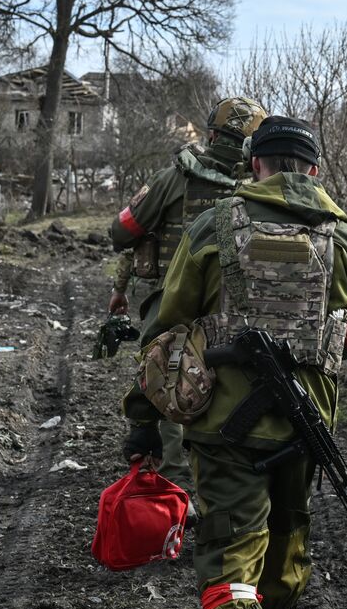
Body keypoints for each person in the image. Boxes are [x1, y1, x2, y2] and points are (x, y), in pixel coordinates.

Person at [122, 116, 347, 609]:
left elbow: (167, 326)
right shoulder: (344, 237)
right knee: (286, 554)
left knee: (231, 561)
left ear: (254, 165)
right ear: (313, 170)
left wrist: (143, 414)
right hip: (305, 428)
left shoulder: (215, 227)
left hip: (222, 432)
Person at [106, 96, 268, 494]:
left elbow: (122, 231)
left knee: (166, 375)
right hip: (237, 310)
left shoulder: (173, 178)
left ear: (211, 135)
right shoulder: (261, 188)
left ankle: (174, 482)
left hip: (173, 301)